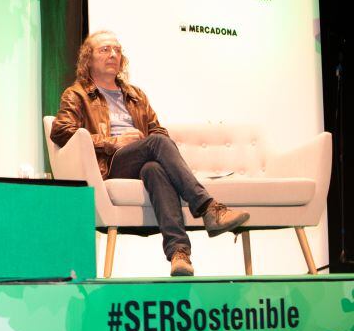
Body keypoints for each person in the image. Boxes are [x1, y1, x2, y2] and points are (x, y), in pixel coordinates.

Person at [50, 30, 250, 276]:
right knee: (156, 143)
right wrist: (112, 142)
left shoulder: (135, 95)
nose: (113, 54)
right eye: (105, 50)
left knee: (154, 168)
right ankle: (208, 207)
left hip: (142, 160)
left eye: (117, 49)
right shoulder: (77, 94)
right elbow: (61, 132)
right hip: (110, 164)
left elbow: (157, 130)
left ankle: (179, 254)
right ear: (88, 59)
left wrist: (152, 149)